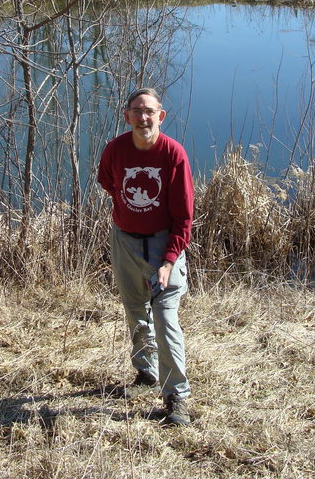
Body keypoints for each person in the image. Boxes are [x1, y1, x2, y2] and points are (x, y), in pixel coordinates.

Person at [97, 87, 193, 426]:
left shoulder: (173, 154)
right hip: (124, 242)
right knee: (135, 310)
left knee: (165, 317)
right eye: (137, 111)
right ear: (127, 116)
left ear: (160, 116)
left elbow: (183, 218)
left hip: (162, 246)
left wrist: (168, 261)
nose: (143, 117)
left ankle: (176, 396)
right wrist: (129, 213)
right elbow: (106, 180)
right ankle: (146, 373)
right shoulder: (115, 150)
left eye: (149, 111)